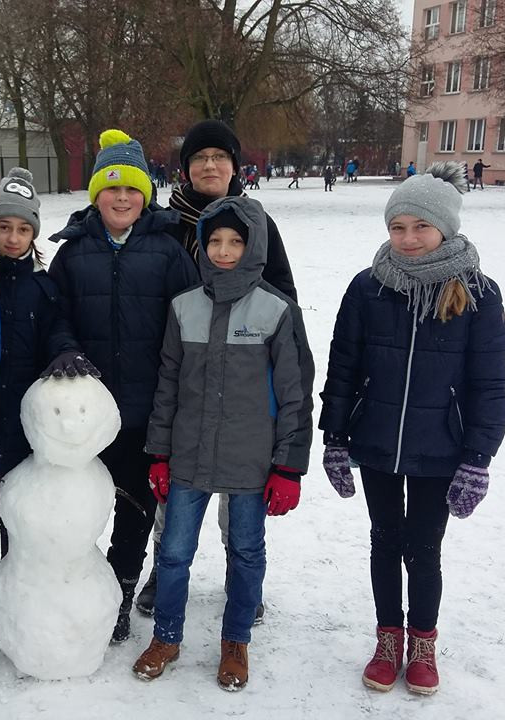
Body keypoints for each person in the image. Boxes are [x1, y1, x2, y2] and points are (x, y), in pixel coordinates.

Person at [319, 161, 505, 696]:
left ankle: (423, 642)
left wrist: (478, 458)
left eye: (421, 226)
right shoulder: (367, 288)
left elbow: (490, 384)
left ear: (445, 227)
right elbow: (343, 367)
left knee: (424, 548)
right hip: (376, 440)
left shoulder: (478, 294)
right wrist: (335, 436)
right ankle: (388, 639)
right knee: (384, 541)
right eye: (397, 227)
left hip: (441, 448)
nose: (407, 238)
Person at [131, 195, 314, 691]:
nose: (225, 250)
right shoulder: (184, 307)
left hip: (250, 459)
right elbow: (168, 386)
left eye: (236, 241)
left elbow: (295, 394)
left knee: (246, 552)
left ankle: (236, 641)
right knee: (173, 553)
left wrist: (288, 467)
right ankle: (167, 636)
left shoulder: (276, 310)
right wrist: (160, 453)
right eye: (215, 240)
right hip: (188, 456)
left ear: (254, 246)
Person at [45, 129, 198, 644]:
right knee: (77, 510)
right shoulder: (73, 253)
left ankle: (120, 593)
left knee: (133, 511)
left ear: (146, 194)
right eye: (112, 187)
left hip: (142, 412)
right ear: (96, 194)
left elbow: (187, 324)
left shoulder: (168, 251)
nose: (122, 197)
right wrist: (64, 346)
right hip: (84, 414)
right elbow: (55, 315)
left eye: (132, 188)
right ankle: (72, 590)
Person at [141, 119, 298, 620]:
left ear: (234, 166)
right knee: (176, 493)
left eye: (220, 157)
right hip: (184, 368)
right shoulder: (167, 222)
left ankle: (241, 579)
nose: (210, 165)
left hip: (243, 376)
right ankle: (161, 573)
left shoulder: (258, 224)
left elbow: (282, 298)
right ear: (185, 168)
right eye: (199, 158)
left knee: (242, 497)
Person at [0, 167, 68, 557]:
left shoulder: (42, 286)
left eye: (23, 229)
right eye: (4, 227)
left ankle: (15, 581)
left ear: (33, 233)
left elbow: (56, 329)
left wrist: (65, 350)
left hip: (17, 418)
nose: (13, 238)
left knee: (13, 512)